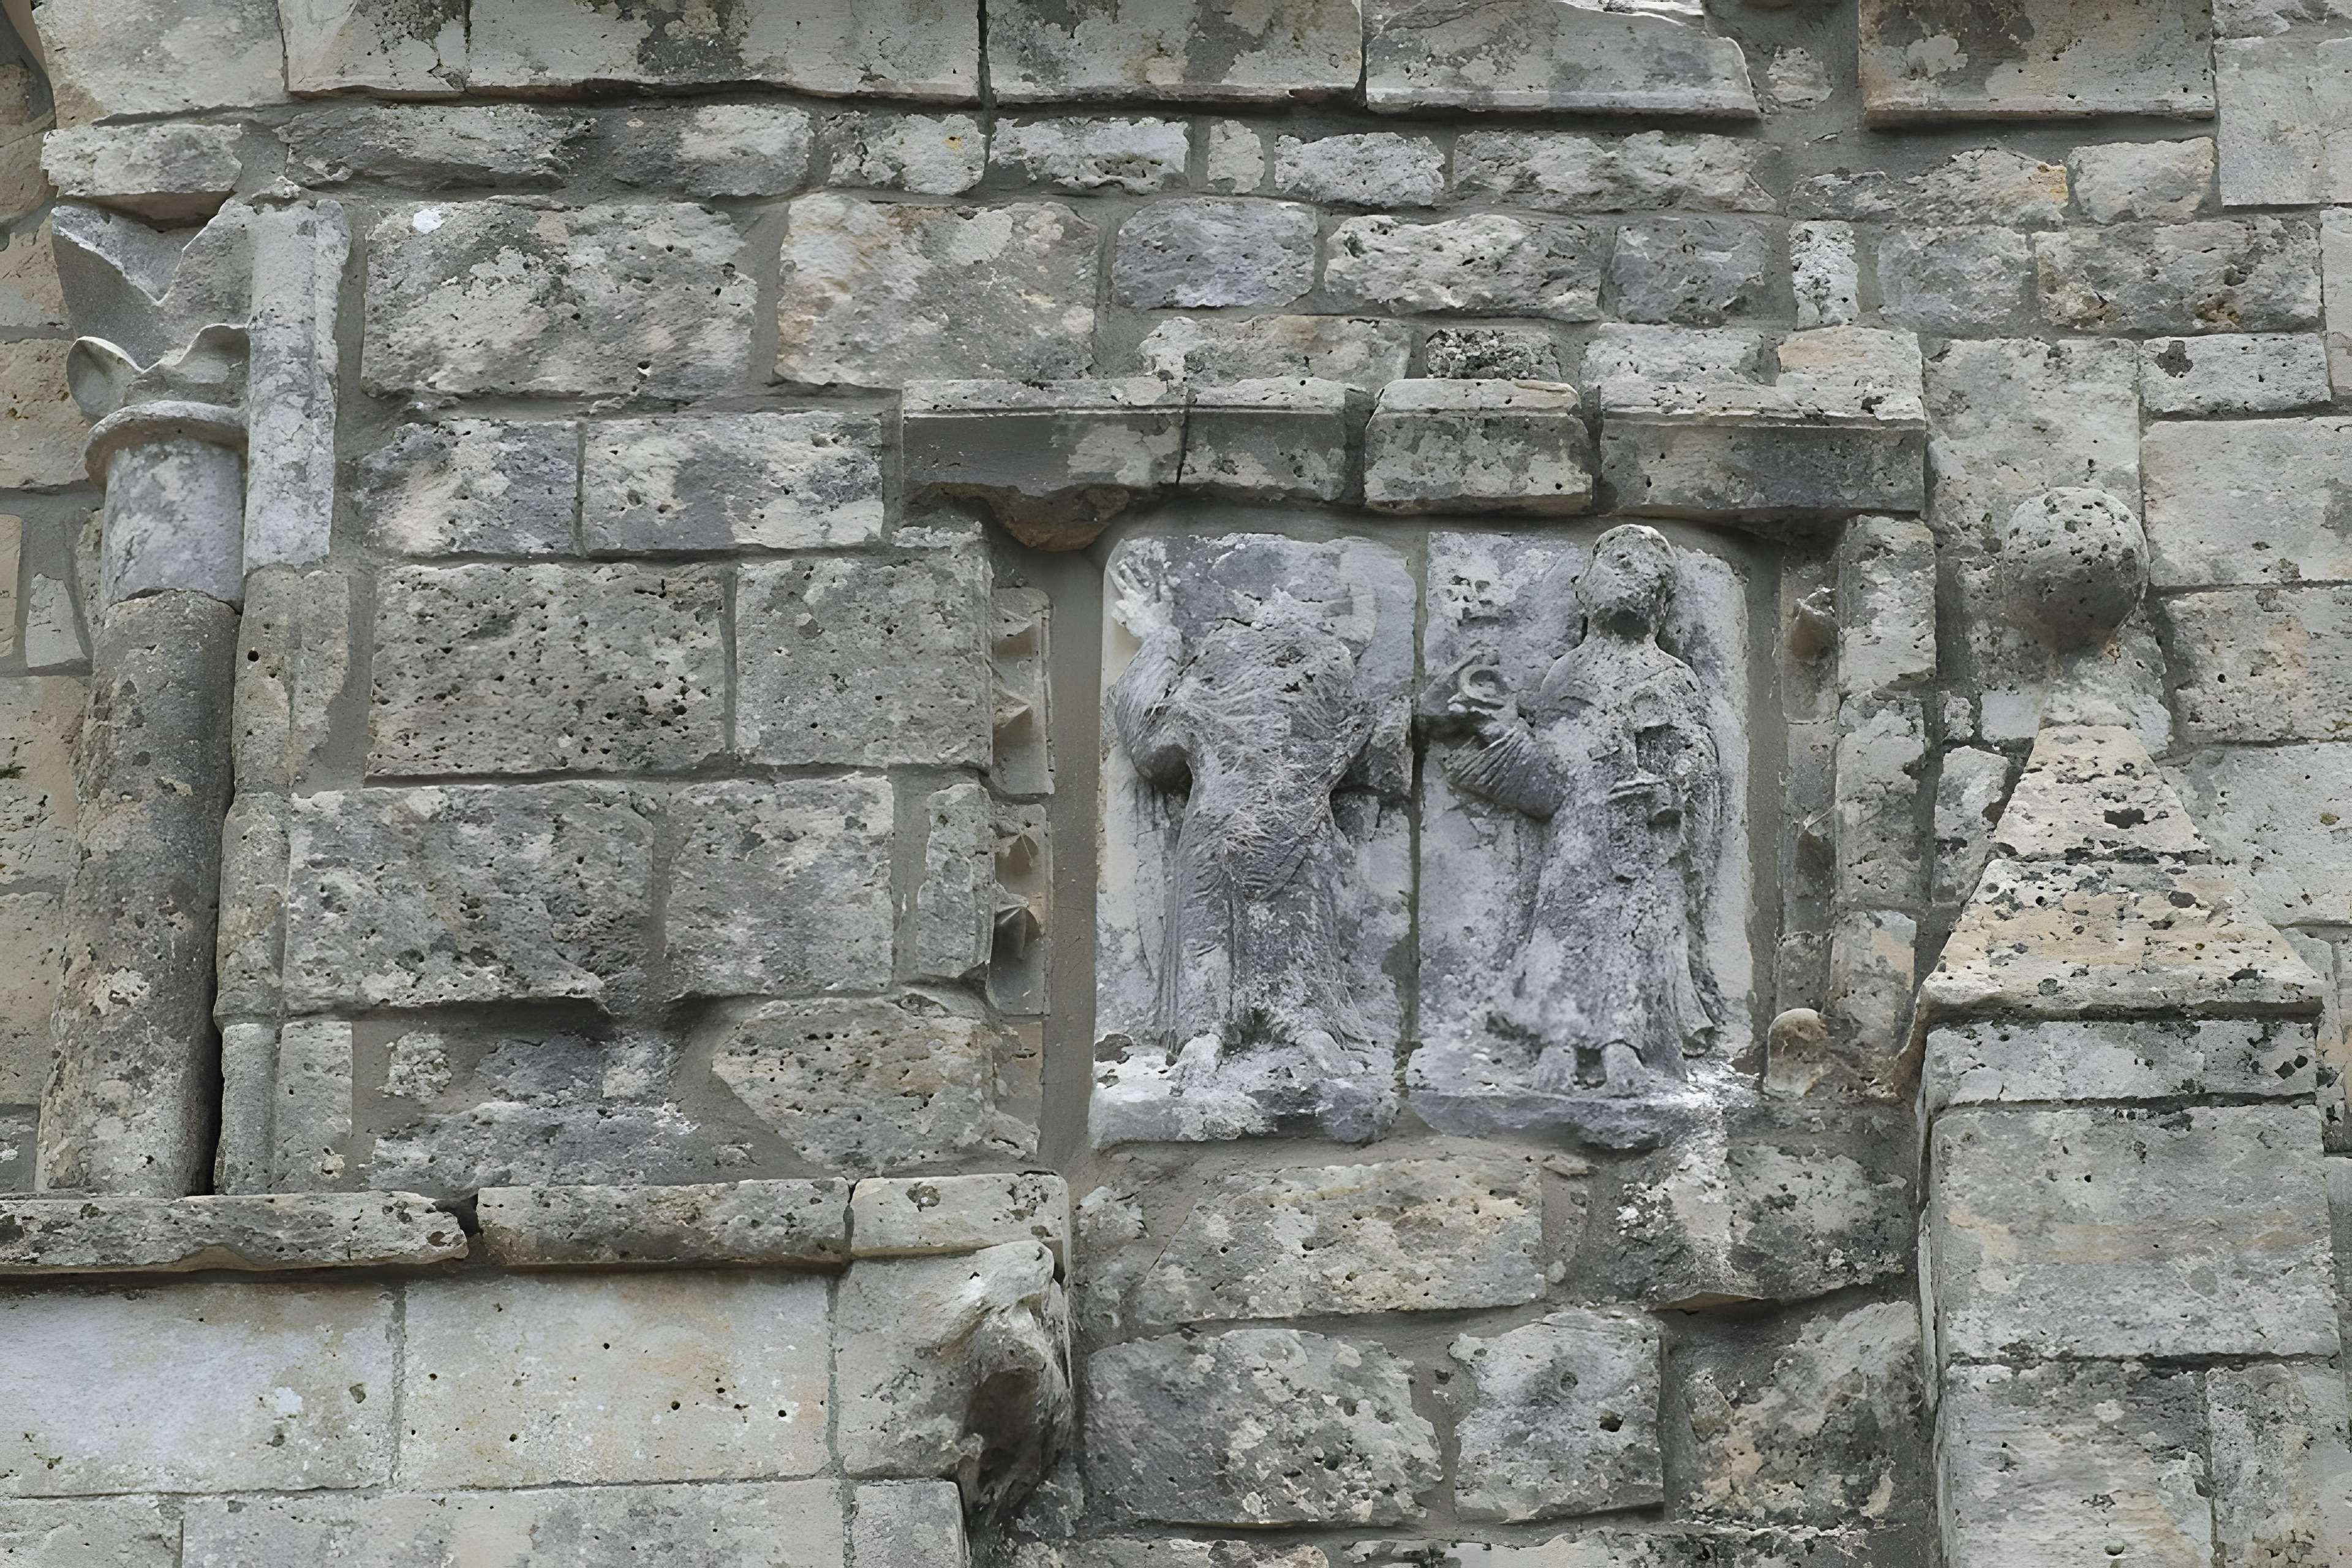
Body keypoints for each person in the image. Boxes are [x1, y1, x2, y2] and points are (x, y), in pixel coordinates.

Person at [1433, 524, 1724, 1096]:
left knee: (1635, 933)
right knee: (1562, 925)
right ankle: (1558, 1043)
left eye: (1653, 575)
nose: (1636, 578)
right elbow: (1548, 767)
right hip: (1576, 830)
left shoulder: (1672, 676)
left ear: (1664, 603)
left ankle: (1624, 1047)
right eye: (1620, 563)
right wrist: (1494, 732)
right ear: (1583, 587)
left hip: (1641, 837)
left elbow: (1696, 756)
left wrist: (1668, 791)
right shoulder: (1564, 674)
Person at [1106, 555, 1381, 1088]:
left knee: (1290, 917)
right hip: (1236, 826)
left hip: (1285, 823)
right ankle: (1207, 1031)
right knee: (1213, 922)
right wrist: (1160, 638)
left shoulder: (1321, 678)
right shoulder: (1211, 690)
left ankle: (1302, 1024)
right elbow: (1150, 745)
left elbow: (1148, 738)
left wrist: (1160, 640)